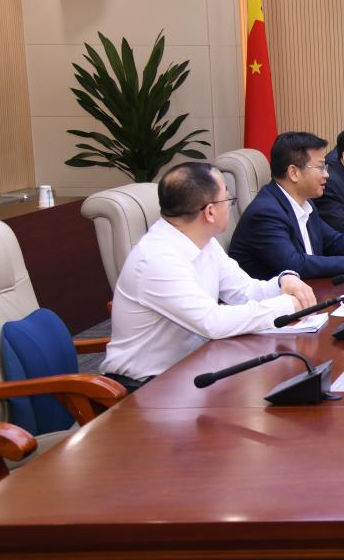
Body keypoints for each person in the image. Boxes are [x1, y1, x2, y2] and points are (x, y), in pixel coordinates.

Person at [101, 162, 315, 390]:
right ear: (210, 212)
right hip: (147, 387)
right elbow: (213, 322)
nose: (231, 204)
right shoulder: (156, 259)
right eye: (228, 198)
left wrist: (283, 282)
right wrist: (286, 306)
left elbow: (244, 291)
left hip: (194, 367)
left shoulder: (205, 242)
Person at [229, 131, 344, 281]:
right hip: (272, 302)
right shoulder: (265, 212)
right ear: (294, 173)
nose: (327, 174)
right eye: (320, 167)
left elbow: (333, 240)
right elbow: (295, 265)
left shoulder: (305, 203)